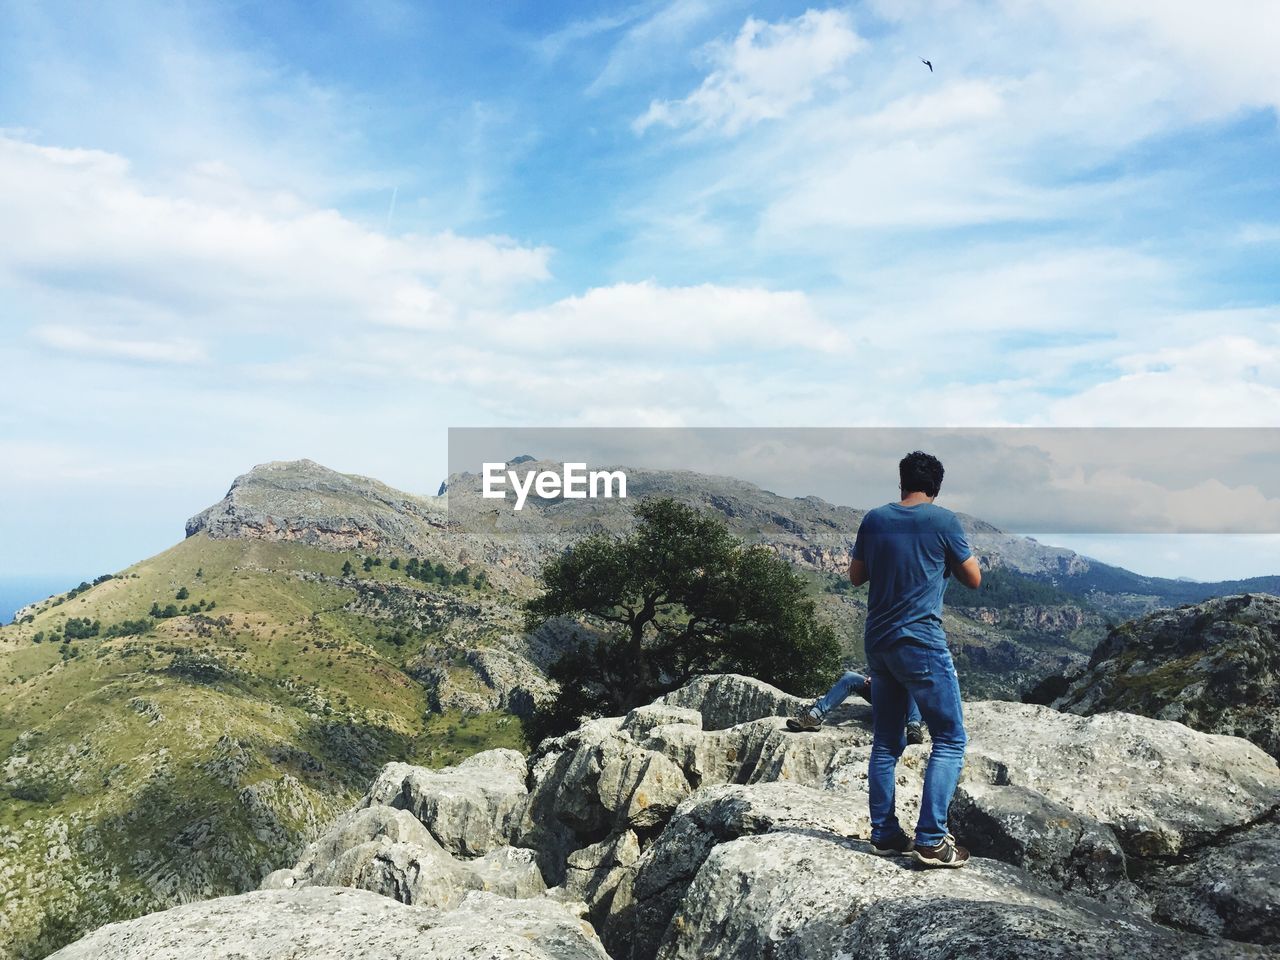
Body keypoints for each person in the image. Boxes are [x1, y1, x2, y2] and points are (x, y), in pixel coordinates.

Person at [851, 450, 981, 868]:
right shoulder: (944, 521)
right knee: (949, 738)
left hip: (879, 641)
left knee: (887, 742)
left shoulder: (874, 519)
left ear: (901, 481)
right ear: (936, 487)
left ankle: (886, 834)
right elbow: (974, 579)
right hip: (920, 642)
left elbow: (856, 576)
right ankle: (931, 839)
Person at [787, 670, 926, 744]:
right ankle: (814, 717)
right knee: (849, 677)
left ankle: (913, 727)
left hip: (907, 699)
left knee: (913, 684)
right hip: (883, 693)